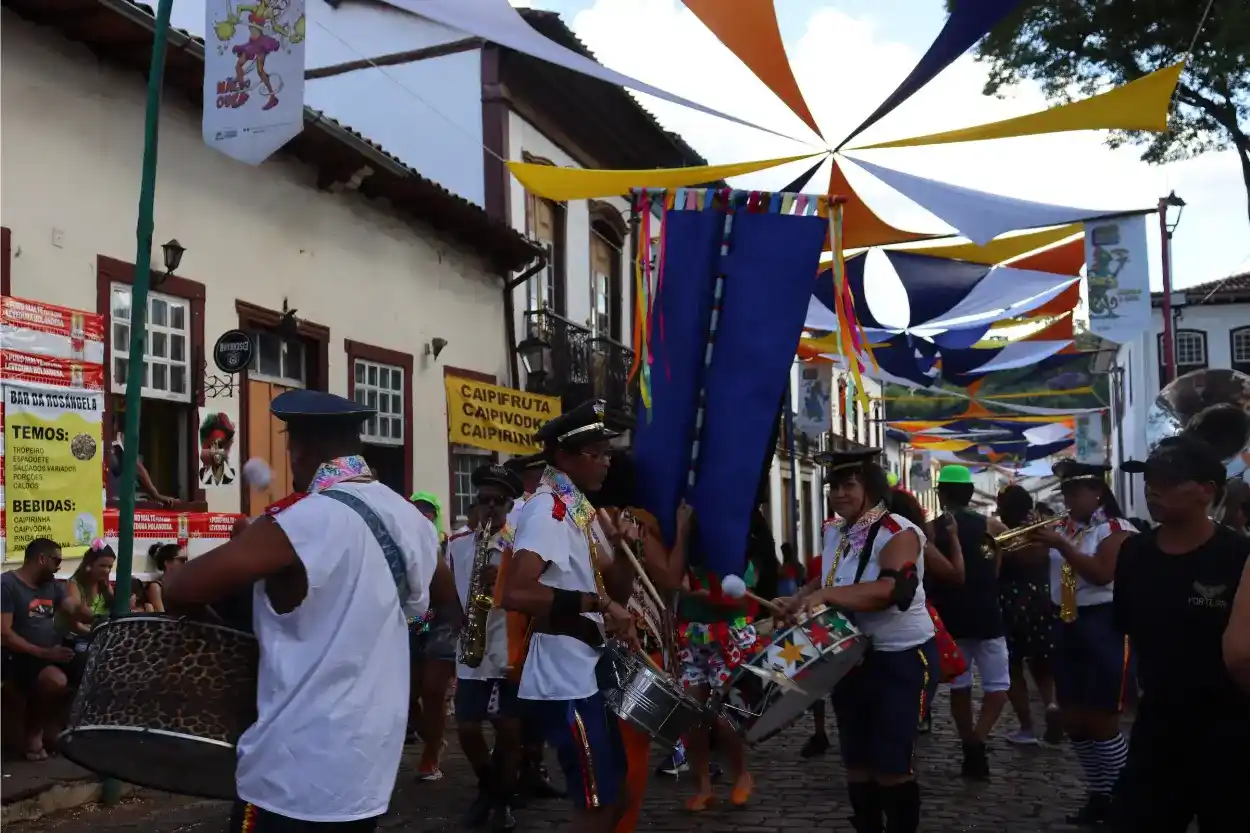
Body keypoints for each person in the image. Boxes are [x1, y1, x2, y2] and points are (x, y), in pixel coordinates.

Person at [162, 389, 442, 833]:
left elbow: (180, 588)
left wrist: (233, 646)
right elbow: (437, 603)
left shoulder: (304, 520)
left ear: (298, 448)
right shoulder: (413, 520)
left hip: (293, 769)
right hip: (368, 764)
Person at [780, 449, 937, 833]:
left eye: (849, 485)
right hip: (849, 656)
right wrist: (801, 597)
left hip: (899, 658)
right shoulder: (835, 530)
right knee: (857, 761)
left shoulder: (899, 532)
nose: (839, 494)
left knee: (890, 763)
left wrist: (826, 598)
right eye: (834, 486)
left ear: (870, 487)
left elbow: (891, 590)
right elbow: (831, 580)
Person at [500, 399, 637, 833]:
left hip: (587, 667)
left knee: (616, 795)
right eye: (595, 454)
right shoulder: (547, 509)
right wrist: (595, 605)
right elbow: (517, 591)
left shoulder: (579, 508)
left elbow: (616, 589)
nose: (605, 462)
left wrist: (624, 550)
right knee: (596, 801)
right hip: (565, 675)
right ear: (563, 457)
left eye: (607, 453)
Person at [1112, 434, 1250, 832]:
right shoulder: (1134, 553)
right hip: (1158, 730)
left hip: (1230, 733)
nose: (1153, 489)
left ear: (1206, 492)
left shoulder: (1238, 556)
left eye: (1169, 481)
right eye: (1149, 478)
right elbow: (1130, 634)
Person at [1026, 460, 1135, 827]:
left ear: (1098, 492)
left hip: (1103, 623)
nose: (1069, 500)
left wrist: (1061, 544)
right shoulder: (1066, 529)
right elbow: (1042, 565)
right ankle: (1101, 793)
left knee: (1101, 718)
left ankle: (1122, 798)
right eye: (1066, 493)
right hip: (1066, 620)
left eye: (1076, 492)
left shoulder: (1117, 529)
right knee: (1073, 718)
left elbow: (1102, 573)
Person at [587, 450, 690, 833]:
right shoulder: (637, 522)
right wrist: (682, 534)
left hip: (595, 640)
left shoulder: (584, 519)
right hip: (635, 645)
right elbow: (670, 580)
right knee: (631, 745)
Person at [450, 463, 525, 832]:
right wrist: (450, 615)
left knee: (509, 729)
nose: (490, 508)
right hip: (471, 649)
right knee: (466, 727)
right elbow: (446, 588)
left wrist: (506, 579)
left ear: (510, 505)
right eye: (483, 500)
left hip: (506, 646)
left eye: (498, 501)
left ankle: (502, 799)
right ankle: (490, 787)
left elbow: (533, 594)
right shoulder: (458, 545)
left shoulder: (521, 548)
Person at [924, 465, 1009, 779]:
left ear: (942, 493)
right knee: (998, 685)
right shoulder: (993, 527)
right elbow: (995, 566)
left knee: (959, 686)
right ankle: (979, 738)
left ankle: (966, 741)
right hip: (988, 614)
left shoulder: (932, 530)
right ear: (971, 494)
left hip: (952, 617)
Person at [500, 452, 564, 802]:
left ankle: (532, 764)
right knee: (515, 700)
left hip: (534, 613)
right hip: (516, 612)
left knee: (531, 698)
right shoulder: (524, 510)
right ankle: (515, 770)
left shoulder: (546, 506)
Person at [0, 538, 93, 760]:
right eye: (56, 560)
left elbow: (73, 609)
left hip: (51, 651)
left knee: (89, 667)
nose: (59, 566)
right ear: (41, 558)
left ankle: (60, 731)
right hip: (18, 654)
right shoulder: (7, 585)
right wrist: (42, 653)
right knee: (55, 680)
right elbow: (4, 633)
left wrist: (104, 603)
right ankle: (34, 733)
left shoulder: (52, 585)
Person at [995, 485, 1061, 746]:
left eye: (1000, 506)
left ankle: (1027, 728)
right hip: (1042, 604)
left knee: (1013, 670)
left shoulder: (1007, 539)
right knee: (1042, 666)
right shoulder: (1045, 535)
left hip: (1011, 606)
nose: (997, 511)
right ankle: (1052, 706)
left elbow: (995, 573)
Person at [406, 489, 457, 780]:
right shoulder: (402, 540)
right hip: (414, 620)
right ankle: (433, 740)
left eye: (429, 510)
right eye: (417, 509)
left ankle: (430, 756)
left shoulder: (448, 544)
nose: (423, 515)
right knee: (407, 695)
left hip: (441, 618)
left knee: (434, 691)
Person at [63, 541, 115, 635]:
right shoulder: (74, 584)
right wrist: (97, 633)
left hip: (106, 635)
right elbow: (75, 623)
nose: (107, 570)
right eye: (102, 566)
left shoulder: (104, 584)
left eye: (109, 567)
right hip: (84, 638)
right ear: (90, 564)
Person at [145, 543, 187, 613]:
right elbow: (161, 616)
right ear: (167, 562)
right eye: (182, 560)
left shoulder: (182, 584)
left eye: (186, 560)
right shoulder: (156, 587)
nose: (185, 563)